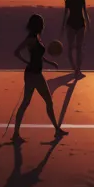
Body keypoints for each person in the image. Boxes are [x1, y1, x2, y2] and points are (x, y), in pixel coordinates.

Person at [13, 13, 69, 143]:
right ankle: (16, 134)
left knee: (44, 101)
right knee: (28, 103)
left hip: (37, 73)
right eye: (41, 23)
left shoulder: (37, 37)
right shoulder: (31, 39)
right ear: (37, 25)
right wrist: (27, 62)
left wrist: (50, 63)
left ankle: (56, 129)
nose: (43, 26)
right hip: (33, 75)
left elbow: (39, 56)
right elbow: (16, 52)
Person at [61, 0, 90, 76]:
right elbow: (84, 12)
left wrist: (63, 26)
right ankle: (77, 69)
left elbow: (66, 13)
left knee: (72, 48)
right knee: (78, 48)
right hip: (79, 24)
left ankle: (75, 68)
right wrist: (88, 24)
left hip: (72, 24)